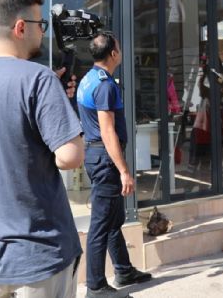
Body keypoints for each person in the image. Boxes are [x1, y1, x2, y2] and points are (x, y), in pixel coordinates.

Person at [0, 0, 84, 298]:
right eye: (41, 25)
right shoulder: (39, 80)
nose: (43, 33)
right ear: (20, 27)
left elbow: (4, 131)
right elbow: (70, 156)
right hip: (39, 253)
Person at [77, 32, 152, 297]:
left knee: (113, 218)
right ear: (113, 54)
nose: (120, 51)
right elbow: (108, 131)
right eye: (119, 47)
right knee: (101, 224)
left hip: (96, 155)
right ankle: (96, 287)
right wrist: (124, 171)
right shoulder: (105, 85)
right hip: (105, 159)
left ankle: (123, 270)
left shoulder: (89, 80)